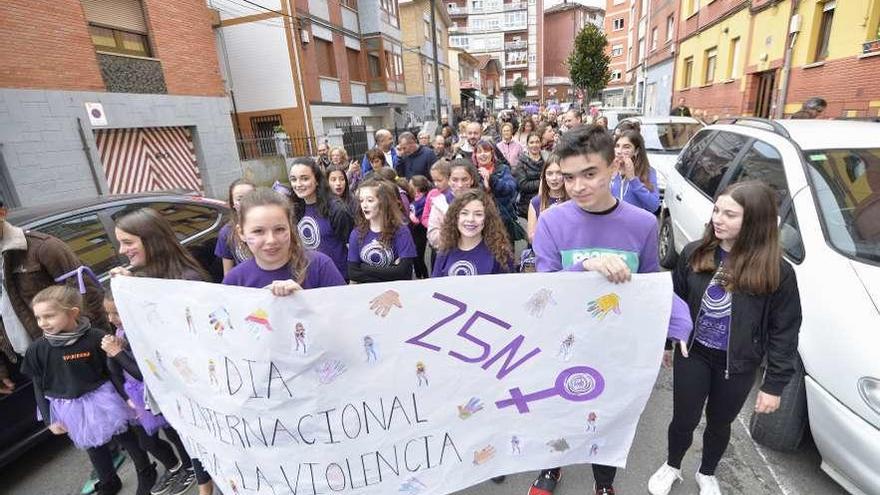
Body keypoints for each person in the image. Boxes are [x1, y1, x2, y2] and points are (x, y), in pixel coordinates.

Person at [530, 125, 692, 495]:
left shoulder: (643, 224)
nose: (578, 186)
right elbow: (544, 287)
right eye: (569, 177)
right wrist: (583, 267)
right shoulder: (552, 221)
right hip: (566, 343)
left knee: (611, 416)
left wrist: (680, 326)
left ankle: (604, 482)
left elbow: (651, 280)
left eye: (589, 174)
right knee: (558, 409)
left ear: (614, 167)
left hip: (617, 346)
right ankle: (550, 467)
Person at [647, 181, 801, 495]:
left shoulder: (777, 272)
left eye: (730, 214)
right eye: (717, 210)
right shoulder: (694, 252)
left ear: (754, 221)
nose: (718, 218)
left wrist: (774, 385)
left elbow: (784, 331)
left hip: (739, 364)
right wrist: (666, 342)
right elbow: (673, 301)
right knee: (683, 419)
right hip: (694, 354)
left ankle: (707, 473)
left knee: (720, 422)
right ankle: (672, 465)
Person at [22, 285, 155, 495]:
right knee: (91, 445)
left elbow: (113, 372)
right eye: (39, 318)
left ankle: (145, 470)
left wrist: (127, 398)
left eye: (49, 316)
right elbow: (38, 385)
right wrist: (50, 419)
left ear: (73, 313)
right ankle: (108, 480)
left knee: (126, 437)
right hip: (69, 405)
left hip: (103, 398)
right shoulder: (37, 349)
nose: (43, 323)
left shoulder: (95, 338)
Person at [112, 207, 209, 494]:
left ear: (151, 239)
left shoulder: (187, 279)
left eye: (128, 242)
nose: (122, 250)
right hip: (170, 380)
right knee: (188, 435)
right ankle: (205, 483)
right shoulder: (141, 278)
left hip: (196, 380)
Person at [0, 201, 109, 394]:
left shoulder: (43, 248)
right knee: (56, 416)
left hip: (66, 352)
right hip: (22, 358)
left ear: (2, 212)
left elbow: (87, 298)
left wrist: (98, 353)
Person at [101, 290, 194, 495]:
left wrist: (117, 353)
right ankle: (175, 467)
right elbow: (114, 369)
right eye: (108, 313)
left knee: (173, 433)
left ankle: (190, 468)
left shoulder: (144, 334)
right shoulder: (121, 332)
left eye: (116, 313)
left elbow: (145, 373)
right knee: (147, 441)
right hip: (137, 395)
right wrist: (113, 356)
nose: (111, 319)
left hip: (156, 391)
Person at [222, 188, 345, 292]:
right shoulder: (234, 281)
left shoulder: (320, 266)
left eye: (279, 229)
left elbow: (347, 315)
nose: (271, 240)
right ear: (241, 233)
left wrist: (305, 301)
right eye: (258, 231)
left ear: (291, 227)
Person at [289, 157, 355, 280]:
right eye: (294, 179)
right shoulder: (294, 209)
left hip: (337, 278)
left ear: (317, 180)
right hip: (309, 277)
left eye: (305, 178)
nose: (298, 184)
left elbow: (352, 246)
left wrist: (353, 279)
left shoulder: (336, 209)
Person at [432, 188, 514, 277]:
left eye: (478, 214)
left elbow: (507, 287)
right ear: (456, 217)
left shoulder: (499, 253)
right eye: (464, 213)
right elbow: (436, 285)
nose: (470, 219)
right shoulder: (444, 252)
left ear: (487, 219)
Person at [347, 178, 416, 283]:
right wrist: (392, 270)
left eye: (370, 200)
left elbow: (404, 272)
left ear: (383, 203)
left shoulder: (401, 231)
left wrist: (365, 267)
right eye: (361, 200)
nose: (364, 205)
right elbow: (353, 272)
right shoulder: (356, 233)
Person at [472, 140, 522, 245]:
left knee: (506, 253)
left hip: (503, 220)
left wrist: (491, 180)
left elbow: (511, 188)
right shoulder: (472, 173)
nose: (483, 155)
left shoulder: (502, 169)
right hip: (481, 222)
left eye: (486, 151)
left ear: (492, 153)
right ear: (475, 155)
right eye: (479, 152)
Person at [427, 160, 480, 249]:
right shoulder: (439, 203)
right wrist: (457, 234)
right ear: (449, 181)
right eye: (455, 180)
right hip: (450, 252)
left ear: (472, 180)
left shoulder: (482, 202)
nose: (460, 185)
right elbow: (433, 236)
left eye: (464, 179)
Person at [612, 130, 661, 213]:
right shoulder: (607, 170)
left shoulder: (648, 171)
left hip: (635, 223)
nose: (619, 151)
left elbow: (654, 206)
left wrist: (633, 179)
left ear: (636, 151)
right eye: (617, 146)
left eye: (626, 147)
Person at [215, 178, 256, 275]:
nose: (246, 202)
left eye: (250, 197)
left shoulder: (271, 223)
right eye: (239, 199)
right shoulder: (226, 232)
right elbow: (228, 273)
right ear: (233, 203)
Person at [526, 153, 568, 244]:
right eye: (549, 173)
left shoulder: (574, 201)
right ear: (544, 177)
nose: (554, 178)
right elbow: (531, 238)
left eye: (559, 173)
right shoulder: (536, 203)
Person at [515, 132, 548, 218]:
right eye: (532, 142)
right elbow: (523, 185)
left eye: (537, 142)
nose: (535, 145)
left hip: (545, 202)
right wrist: (543, 181)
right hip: (527, 205)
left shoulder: (547, 159)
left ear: (540, 143)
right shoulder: (521, 162)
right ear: (527, 145)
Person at [409, 175, 431, 279]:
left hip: (420, 232)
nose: (409, 186)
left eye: (411, 184)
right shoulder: (414, 198)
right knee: (414, 256)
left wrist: (410, 216)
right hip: (413, 232)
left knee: (419, 257)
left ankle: (425, 277)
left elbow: (419, 220)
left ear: (417, 187)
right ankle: (418, 276)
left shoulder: (424, 200)